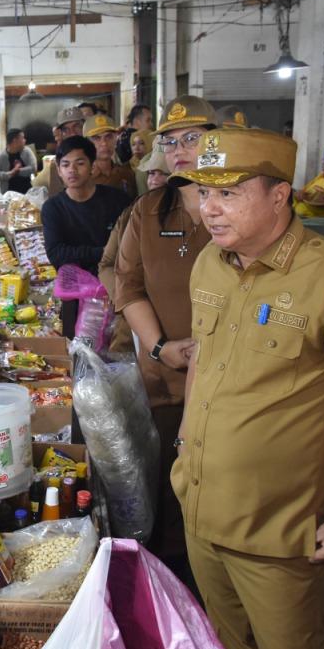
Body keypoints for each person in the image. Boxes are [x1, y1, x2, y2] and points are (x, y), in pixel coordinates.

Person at [171, 127, 324, 649]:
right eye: (204, 192)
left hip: (278, 535)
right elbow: (204, 357)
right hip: (201, 510)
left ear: (279, 195)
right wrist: (186, 442)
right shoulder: (209, 262)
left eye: (229, 193)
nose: (209, 208)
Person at [113, 96, 217, 568]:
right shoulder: (149, 211)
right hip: (166, 380)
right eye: (170, 142)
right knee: (169, 488)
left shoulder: (241, 208)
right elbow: (128, 287)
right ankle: (173, 585)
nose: (179, 150)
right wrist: (159, 347)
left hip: (231, 382)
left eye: (192, 138)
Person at [41, 135, 131, 338]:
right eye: (65, 165)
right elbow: (56, 254)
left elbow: (129, 248)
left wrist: (95, 256)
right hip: (74, 296)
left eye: (80, 163)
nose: (72, 170)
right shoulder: (53, 208)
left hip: (116, 289)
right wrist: (104, 252)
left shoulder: (118, 201)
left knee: (117, 348)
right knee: (81, 349)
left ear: (92, 166)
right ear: (59, 170)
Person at [98, 140, 172, 354]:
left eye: (162, 173)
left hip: (177, 323)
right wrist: (128, 303)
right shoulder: (132, 213)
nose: (154, 179)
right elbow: (107, 264)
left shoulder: (198, 215)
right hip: (131, 325)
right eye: (151, 173)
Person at [32, 107, 85, 195]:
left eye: (77, 126)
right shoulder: (56, 166)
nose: (72, 133)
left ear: (85, 127)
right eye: (66, 129)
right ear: (61, 134)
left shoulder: (98, 155)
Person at [84, 113, 137, 197]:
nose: (104, 143)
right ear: (86, 142)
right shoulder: (83, 178)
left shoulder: (127, 174)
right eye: (96, 138)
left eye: (108, 137)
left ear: (116, 138)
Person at [0, 128, 36, 194]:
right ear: (15, 141)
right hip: (8, 195)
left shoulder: (27, 151)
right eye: (22, 138)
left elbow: (33, 168)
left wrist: (18, 171)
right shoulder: (1, 156)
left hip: (27, 194)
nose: (25, 140)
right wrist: (9, 174)